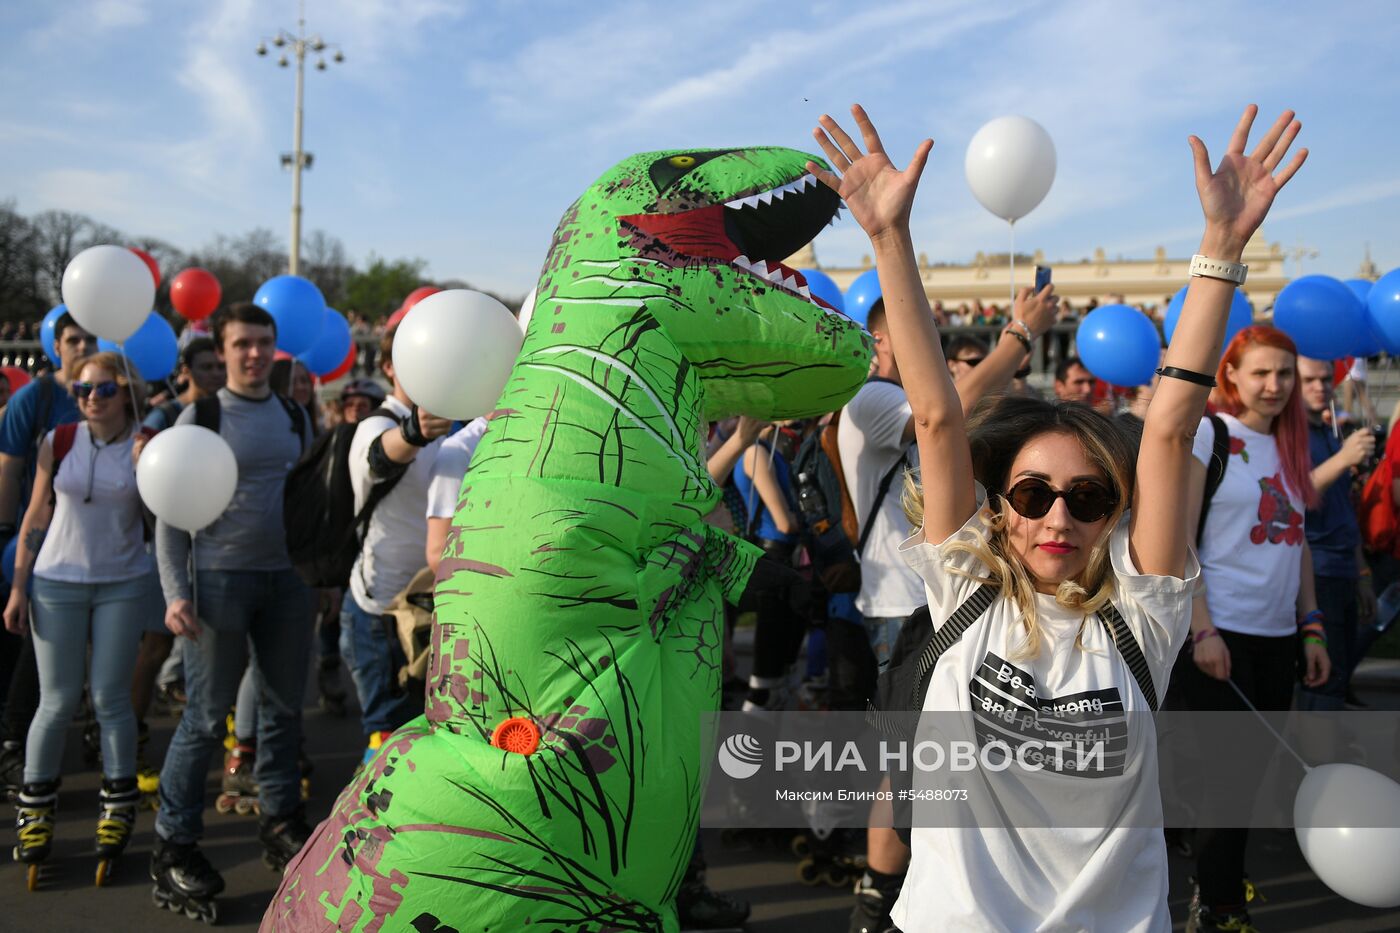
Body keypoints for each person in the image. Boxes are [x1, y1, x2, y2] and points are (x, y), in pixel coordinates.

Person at [810, 102, 1305, 931]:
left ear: (1116, 514)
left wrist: (1220, 250)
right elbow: (936, 417)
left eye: (1089, 497)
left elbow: (1172, 425)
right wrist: (889, 239)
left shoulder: (1143, 614)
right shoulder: (964, 589)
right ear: (998, 509)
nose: (1058, 519)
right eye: (1033, 494)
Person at [838, 277, 1057, 931]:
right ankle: (882, 898)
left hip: (933, 603)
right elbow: (943, 417)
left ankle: (902, 889)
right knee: (912, 763)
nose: (929, 347)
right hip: (903, 609)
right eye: (918, 334)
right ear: (885, 340)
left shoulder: (889, 394)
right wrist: (1018, 335)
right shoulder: (870, 397)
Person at [149, 302, 315, 920]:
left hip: (286, 582)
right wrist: (175, 593)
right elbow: (169, 511)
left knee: (282, 708)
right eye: (242, 343)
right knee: (203, 717)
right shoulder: (203, 415)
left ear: (275, 347)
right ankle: (173, 842)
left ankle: (278, 817)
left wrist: (316, 576)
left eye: (263, 342)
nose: (253, 353)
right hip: (218, 582)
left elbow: (306, 502)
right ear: (222, 351)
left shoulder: (298, 413)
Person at [1183, 325, 1331, 930]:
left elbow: (1296, 545)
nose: (1275, 386)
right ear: (1233, 376)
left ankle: (1217, 890)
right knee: (1224, 786)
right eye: (1262, 373)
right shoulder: (1211, 436)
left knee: (1248, 784)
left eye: (1286, 374)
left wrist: (1312, 624)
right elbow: (1179, 542)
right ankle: (1218, 907)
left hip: (1279, 638)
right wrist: (1203, 631)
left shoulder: (1294, 446)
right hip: (1221, 636)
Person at [4, 352, 156, 878]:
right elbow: (35, 512)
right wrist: (18, 586)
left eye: (104, 389)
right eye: (82, 390)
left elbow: (163, 518)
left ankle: (116, 807)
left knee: (111, 698)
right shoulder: (59, 440)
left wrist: (147, 466)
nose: (92, 398)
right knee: (56, 701)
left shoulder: (146, 446)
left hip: (122, 580)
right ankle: (35, 810)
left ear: (126, 390)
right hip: (55, 581)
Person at [341, 326, 452, 765]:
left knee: (418, 742)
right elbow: (378, 460)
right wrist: (414, 432)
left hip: (429, 610)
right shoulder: (379, 422)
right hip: (382, 615)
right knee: (385, 742)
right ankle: (362, 830)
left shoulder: (449, 428)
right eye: (410, 361)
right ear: (388, 368)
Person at [0, 313, 97, 794]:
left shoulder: (117, 393)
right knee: (34, 651)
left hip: (101, 548)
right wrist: (7, 533)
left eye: (90, 339)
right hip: (41, 546)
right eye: (73, 339)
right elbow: (11, 470)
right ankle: (14, 747)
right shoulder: (35, 398)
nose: (82, 346)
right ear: (56, 346)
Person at [1296, 356, 1376, 711]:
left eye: (1326, 379)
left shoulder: (1329, 432)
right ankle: (1318, 761)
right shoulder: (1289, 437)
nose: (1321, 387)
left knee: (1338, 674)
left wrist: (1362, 573)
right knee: (1322, 681)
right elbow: (1292, 499)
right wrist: (1343, 460)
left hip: (1344, 567)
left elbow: (1344, 509)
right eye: (1310, 380)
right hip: (1316, 570)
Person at [143, 338, 225, 432]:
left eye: (221, 367)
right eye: (206, 367)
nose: (216, 374)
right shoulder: (165, 415)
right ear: (186, 371)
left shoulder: (231, 410)